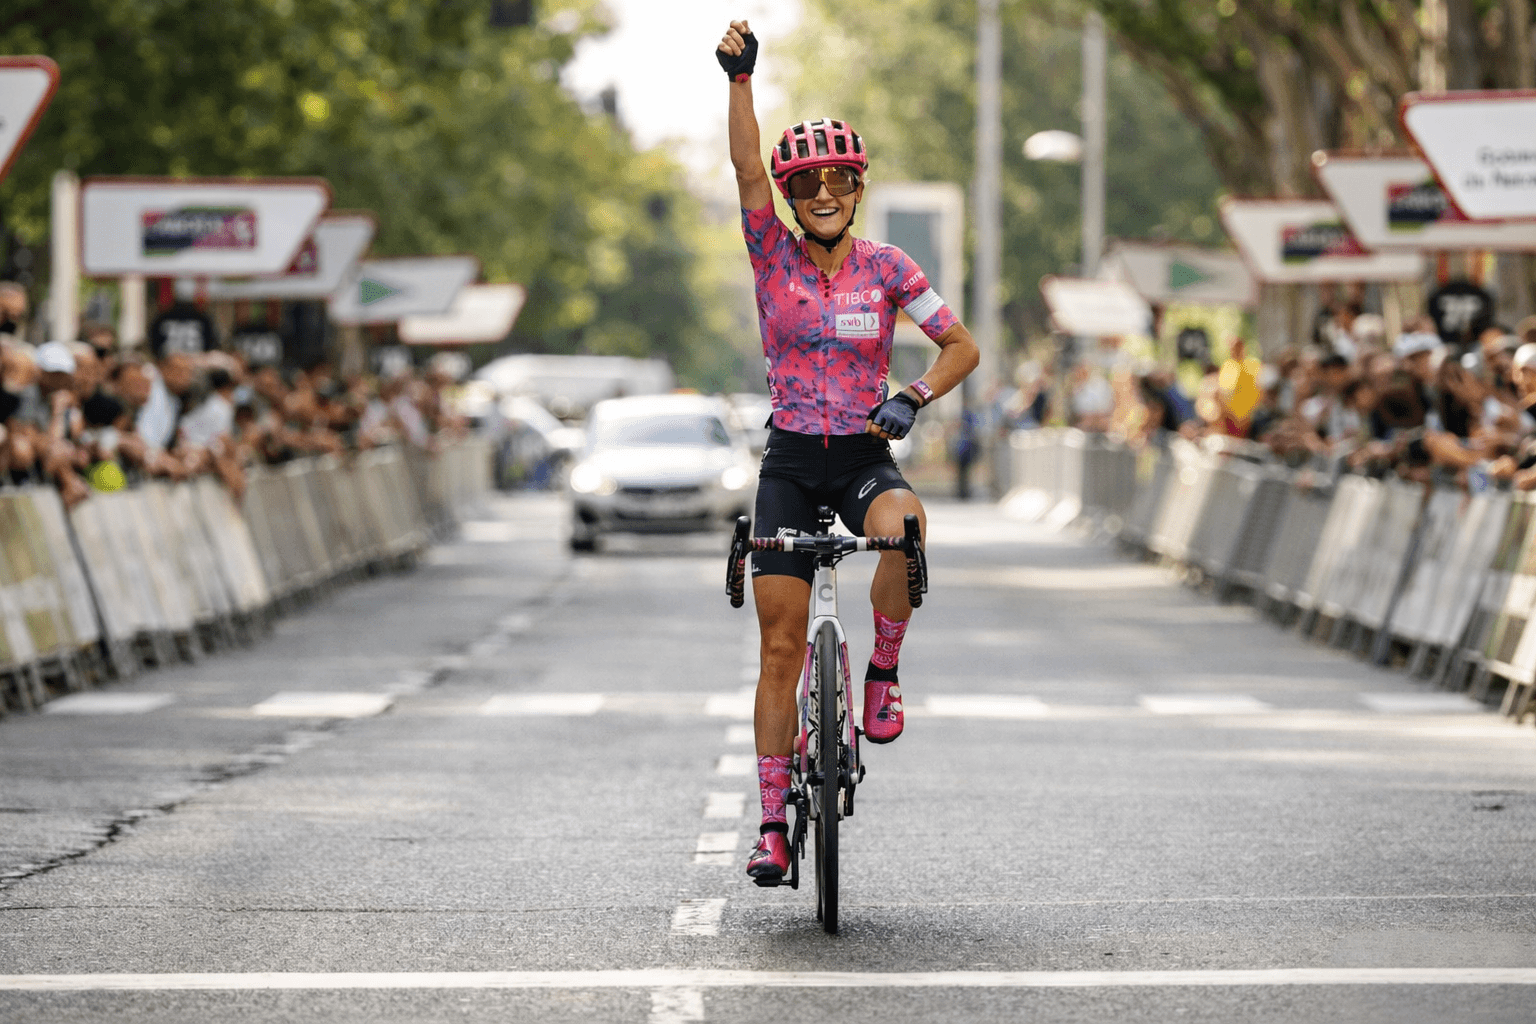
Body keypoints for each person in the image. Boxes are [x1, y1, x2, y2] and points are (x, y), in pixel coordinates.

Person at [718, 19, 980, 883]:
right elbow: (746, 170)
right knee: (780, 649)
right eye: (809, 183)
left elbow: (961, 347)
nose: (824, 192)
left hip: (864, 455)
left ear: (857, 189)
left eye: (838, 180)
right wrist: (740, 82)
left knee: (906, 527)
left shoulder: (889, 267)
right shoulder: (771, 257)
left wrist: (913, 396)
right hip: (793, 462)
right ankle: (771, 825)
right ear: (794, 196)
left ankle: (882, 670)